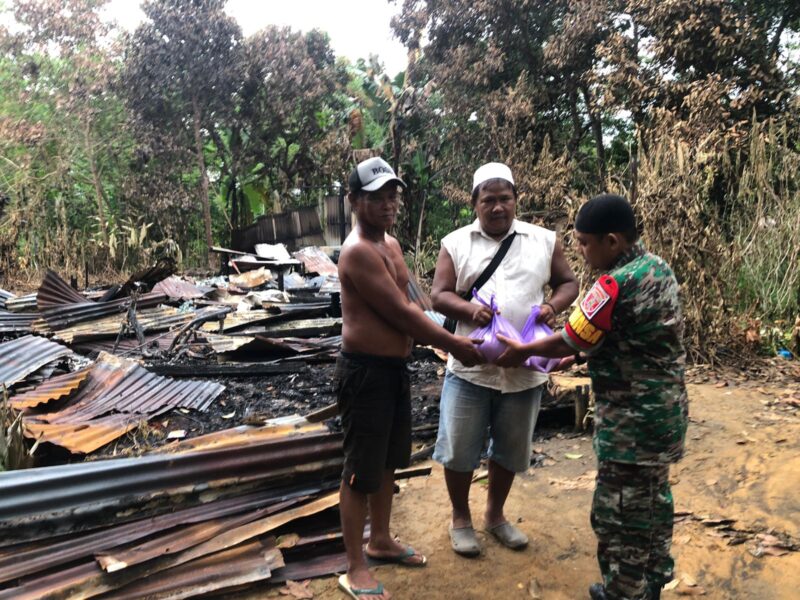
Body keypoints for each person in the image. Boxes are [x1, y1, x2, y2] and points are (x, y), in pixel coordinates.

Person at [495, 194, 689, 600]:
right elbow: (613, 336)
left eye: (585, 243)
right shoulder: (657, 268)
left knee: (618, 511)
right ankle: (651, 581)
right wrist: (576, 354)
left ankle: (623, 590)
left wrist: (525, 350)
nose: (581, 252)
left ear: (613, 241)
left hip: (630, 422)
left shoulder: (614, 283)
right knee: (653, 501)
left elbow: (572, 335)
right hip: (664, 413)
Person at [336, 156, 485, 600]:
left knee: (386, 463)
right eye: (376, 197)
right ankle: (354, 566)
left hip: (393, 370)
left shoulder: (392, 245)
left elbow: (413, 298)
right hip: (365, 373)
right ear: (354, 201)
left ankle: (380, 541)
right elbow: (399, 313)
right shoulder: (357, 251)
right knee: (360, 470)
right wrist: (453, 344)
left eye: (391, 196)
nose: (387, 204)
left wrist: (451, 324)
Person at [430, 162, 578, 557]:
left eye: (505, 199)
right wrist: (467, 311)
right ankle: (460, 518)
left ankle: (495, 516)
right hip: (471, 367)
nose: (498, 207)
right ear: (475, 203)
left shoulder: (543, 240)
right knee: (460, 449)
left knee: (510, 449)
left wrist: (552, 306)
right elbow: (439, 294)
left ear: (516, 200)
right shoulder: (456, 243)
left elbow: (569, 282)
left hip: (524, 371)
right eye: (489, 200)